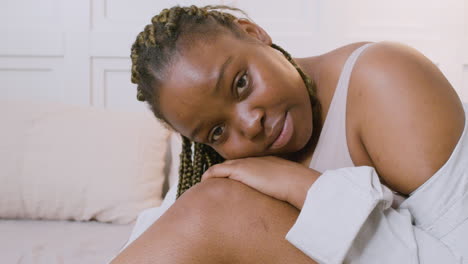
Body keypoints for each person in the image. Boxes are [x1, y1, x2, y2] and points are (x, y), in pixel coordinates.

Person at [110, 5, 468, 264]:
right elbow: (157, 239)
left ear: (254, 33)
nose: (250, 125)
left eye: (240, 84)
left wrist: (297, 184)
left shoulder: (382, 79)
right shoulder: (228, 160)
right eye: (217, 131)